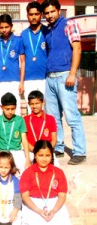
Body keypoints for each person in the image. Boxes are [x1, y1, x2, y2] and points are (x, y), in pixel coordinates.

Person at [41, 0, 86, 165]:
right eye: (47, 13)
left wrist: (72, 74)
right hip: (50, 77)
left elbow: (77, 48)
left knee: (72, 116)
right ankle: (58, 147)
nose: (50, 15)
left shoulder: (69, 24)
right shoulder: (48, 31)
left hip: (65, 75)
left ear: (59, 10)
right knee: (53, 117)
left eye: (52, 11)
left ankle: (80, 151)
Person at [19, 140, 72, 225]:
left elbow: (62, 195)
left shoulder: (58, 172)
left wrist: (54, 210)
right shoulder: (27, 173)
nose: (44, 159)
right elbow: (25, 196)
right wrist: (38, 211)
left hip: (55, 204)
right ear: (35, 155)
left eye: (47, 155)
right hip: (33, 205)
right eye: (40, 155)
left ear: (51, 156)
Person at [0, 14, 25, 116]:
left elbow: (23, 62)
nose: (4, 30)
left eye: (6, 27)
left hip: (14, 80)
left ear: (11, 26)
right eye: (1, 27)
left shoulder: (18, 40)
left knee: (16, 110)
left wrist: (21, 82)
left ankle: (17, 131)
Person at [0, 92, 31, 176]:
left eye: (12, 109)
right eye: (7, 109)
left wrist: (27, 158)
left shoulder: (20, 120)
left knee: (25, 172)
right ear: (1, 107)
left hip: (16, 151)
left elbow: (24, 140)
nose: (10, 112)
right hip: (2, 152)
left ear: (16, 107)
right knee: (0, 173)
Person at [20, 2, 48, 102]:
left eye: (36, 14)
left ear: (41, 15)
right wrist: (22, 82)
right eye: (31, 14)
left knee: (47, 109)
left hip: (46, 78)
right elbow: (22, 60)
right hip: (29, 79)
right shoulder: (23, 34)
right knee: (31, 109)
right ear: (27, 16)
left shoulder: (47, 31)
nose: (34, 17)